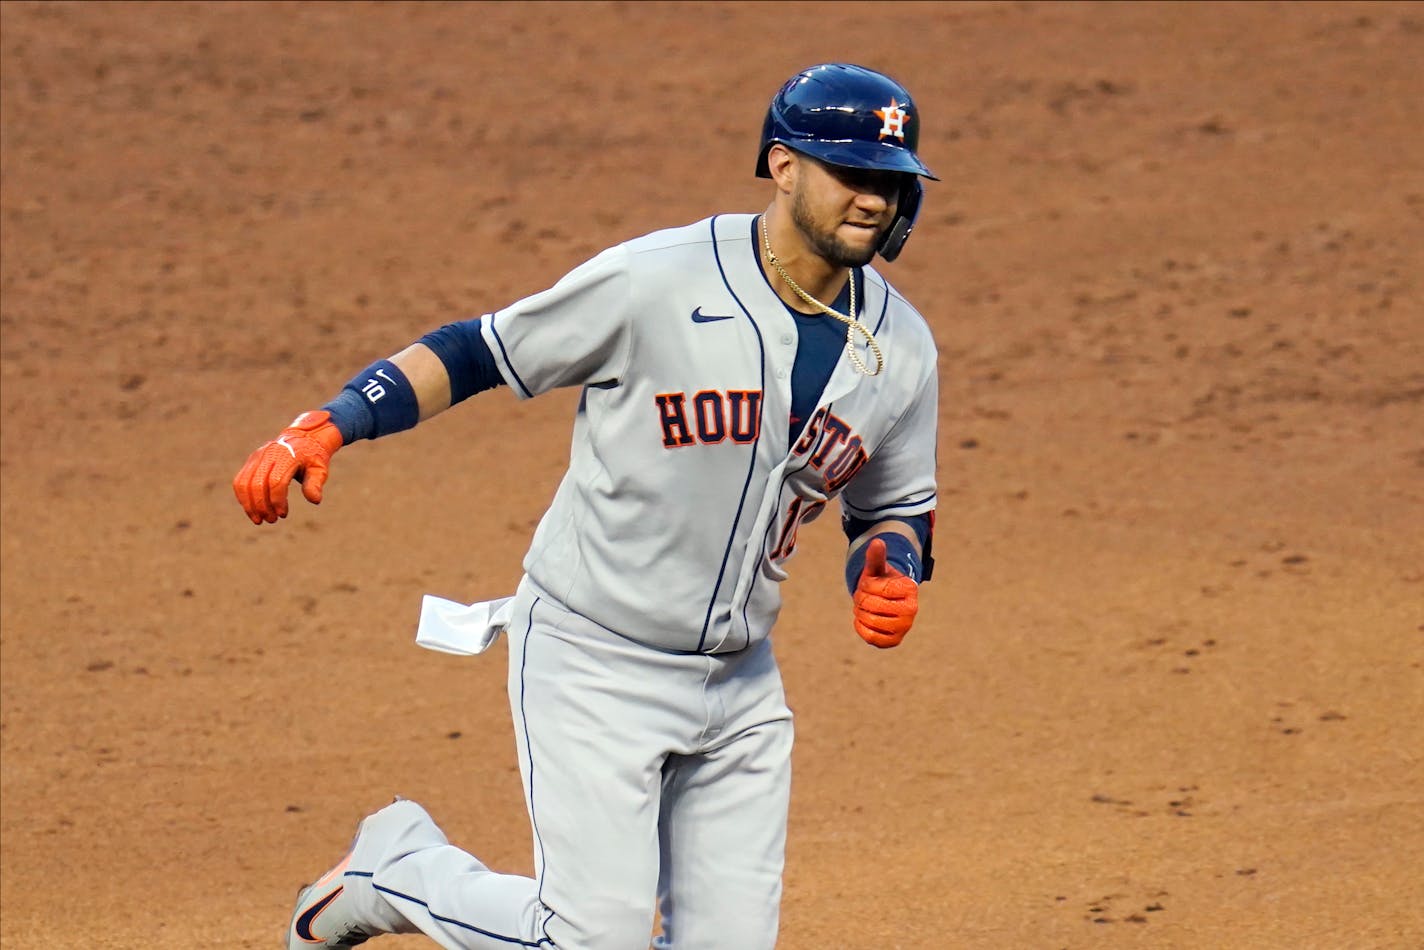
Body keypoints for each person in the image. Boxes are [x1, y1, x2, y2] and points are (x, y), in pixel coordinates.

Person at [234, 62, 940, 950]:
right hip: (592, 657)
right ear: (783, 166)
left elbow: (896, 506)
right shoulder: (658, 281)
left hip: (741, 683)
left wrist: (892, 563)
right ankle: (393, 870)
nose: (874, 199)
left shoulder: (901, 346)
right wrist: (334, 422)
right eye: (852, 174)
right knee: (586, 941)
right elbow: (478, 350)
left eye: (892, 180)